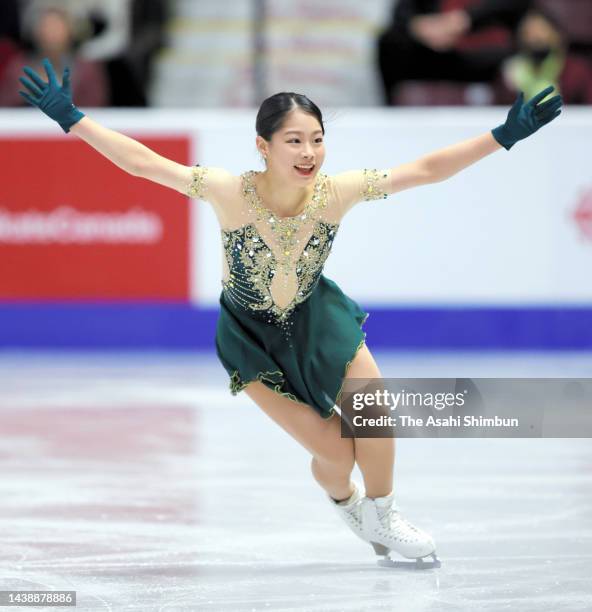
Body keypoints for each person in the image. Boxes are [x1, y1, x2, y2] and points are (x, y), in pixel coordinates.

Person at [17, 58, 562, 568]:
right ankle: (347, 501)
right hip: (251, 336)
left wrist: (504, 136)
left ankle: (385, 514)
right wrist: (72, 119)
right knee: (333, 450)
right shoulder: (228, 191)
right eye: (294, 141)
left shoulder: (336, 192)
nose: (309, 152)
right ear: (264, 145)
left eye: (318, 140)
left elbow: (424, 169)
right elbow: (143, 164)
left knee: (372, 409)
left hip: (317, 315)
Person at [377, 0, 532, 105]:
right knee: (391, 41)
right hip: (440, 51)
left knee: (523, 56)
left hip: (493, 52)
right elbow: (402, 11)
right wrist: (421, 26)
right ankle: (391, 114)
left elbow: (516, 5)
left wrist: (467, 18)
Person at [0, 5, 108, 107]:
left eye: (57, 28)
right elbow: (6, 108)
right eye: (46, 27)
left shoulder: (87, 70)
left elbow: (96, 109)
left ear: (69, 32)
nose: (51, 34)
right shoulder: (18, 67)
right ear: (36, 32)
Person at [495, 7, 592, 105]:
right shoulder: (510, 72)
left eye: (542, 31)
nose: (536, 38)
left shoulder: (577, 71)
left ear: (557, 36)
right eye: (529, 33)